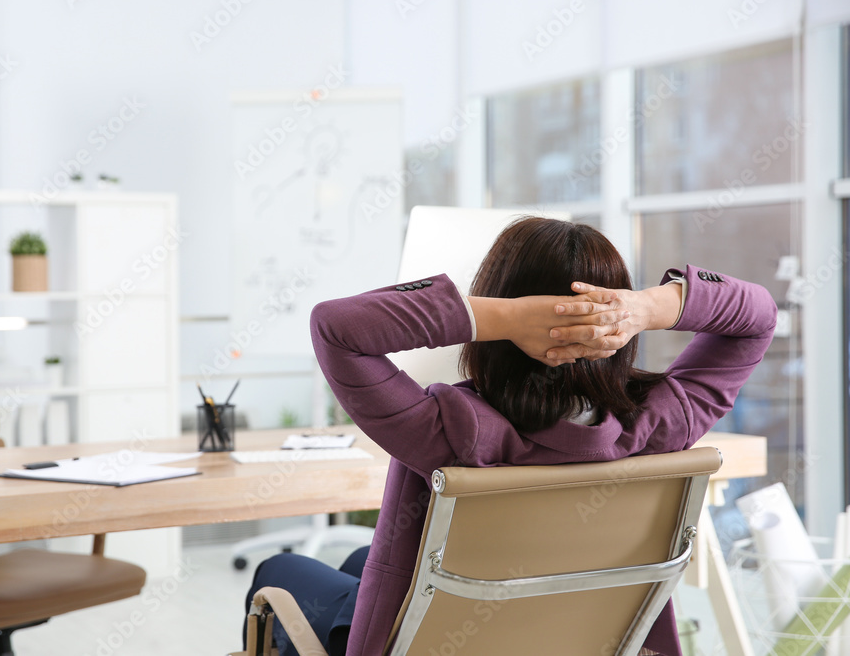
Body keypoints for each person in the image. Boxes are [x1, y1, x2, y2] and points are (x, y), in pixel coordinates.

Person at [243, 217, 777, 656]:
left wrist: (502, 316)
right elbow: (757, 317)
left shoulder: (454, 431)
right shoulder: (663, 423)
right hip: (573, 636)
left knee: (282, 569)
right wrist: (647, 307)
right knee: (359, 565)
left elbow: (337, 327)